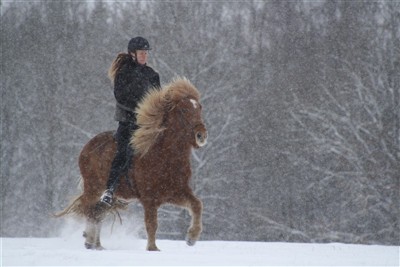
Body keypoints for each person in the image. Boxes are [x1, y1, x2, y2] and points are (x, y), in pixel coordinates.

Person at [100, 36, 161, 206]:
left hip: (148, 125)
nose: (144, 56)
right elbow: (121, 97)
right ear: (133, 54)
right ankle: (110, 189)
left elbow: (158, 98)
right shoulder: (123, 73)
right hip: (128, 122)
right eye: (141, 53)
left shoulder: (152, 75)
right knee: (124, 152)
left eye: (146, 53)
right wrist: (140, 110)